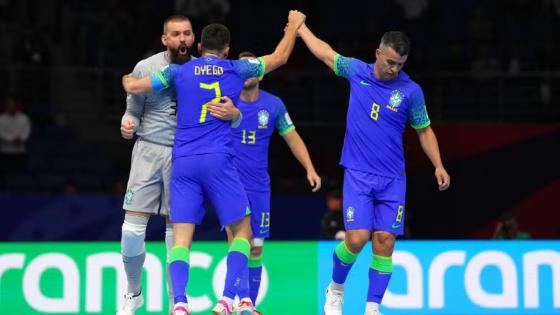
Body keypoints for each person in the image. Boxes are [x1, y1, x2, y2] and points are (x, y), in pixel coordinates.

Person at [122, 11, 306, 315]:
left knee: (181, 240)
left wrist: (127, 80)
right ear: (227, 49)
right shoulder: (237, 68)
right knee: (243, 231)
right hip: (218, 161)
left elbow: (135, 87)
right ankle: (225, 300)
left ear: (199, 47)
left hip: (183, 162)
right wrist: (293, 28)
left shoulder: (177, 72)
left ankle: (180, 304)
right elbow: (280, 57)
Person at [297, 24, 451, 315]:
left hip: (393, 178)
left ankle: (372, 308)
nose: (394, 69)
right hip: (358, 173)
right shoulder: (356, 72)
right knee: (356, 239)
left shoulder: (411, 91)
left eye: (400, 65)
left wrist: (438, 165)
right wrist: (301, 29)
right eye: (390, 61)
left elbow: (424, 131)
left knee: (385, 241)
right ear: (378, 53)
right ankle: (336, 288)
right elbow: (326, 54)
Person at [223, 51, 322, 313]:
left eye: (252, 68)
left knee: (255, 248)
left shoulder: (274, 105)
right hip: (230, 183)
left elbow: (292, 137)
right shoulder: (223, 101)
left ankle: (248, 305)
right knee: (238, 243)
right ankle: (240, 302)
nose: (247, 73)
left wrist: (309, 167)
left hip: (259, 186)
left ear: (261, 72)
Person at [117, 15, 199, 315]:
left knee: (175, 233)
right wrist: (128, 123)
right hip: (149, 151)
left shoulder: (203, 68)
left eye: (187, 34)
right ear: (165, 39)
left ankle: (174, 302)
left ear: (194, 38)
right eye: (175, 34)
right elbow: (132, 110)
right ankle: (132, 293)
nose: (182, 39)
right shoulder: (146, 68)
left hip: (186, 156)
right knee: (132, 228)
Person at [0, 96, 31, 174]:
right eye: (8, 104)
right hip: (5, 152)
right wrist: (12, 139)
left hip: (20, 152)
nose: (10, 106)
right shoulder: (1, 118)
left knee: (19, 176)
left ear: (17, 105)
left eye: (12, 104)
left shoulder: (24, 118)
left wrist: (21, 139)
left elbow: (26, 132)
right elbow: (1, 133)